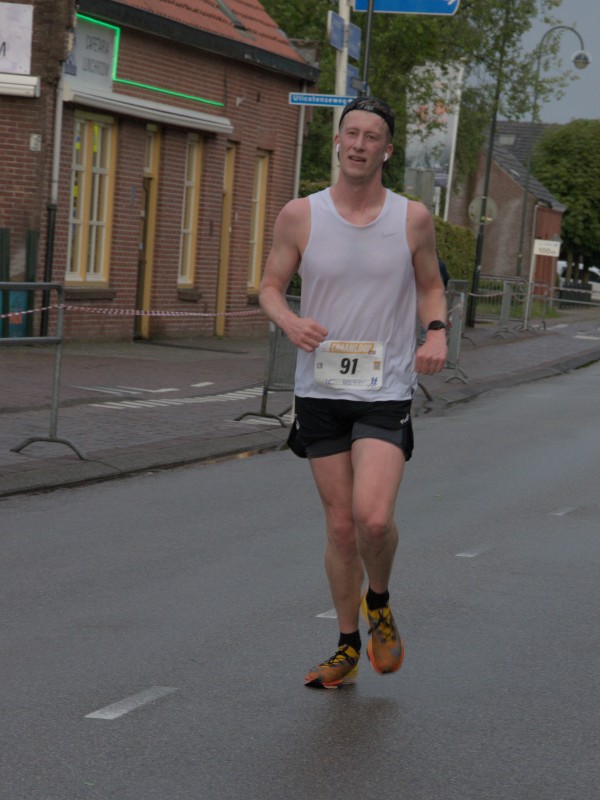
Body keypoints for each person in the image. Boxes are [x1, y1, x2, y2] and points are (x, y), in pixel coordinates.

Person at [259, 96, 448, 689]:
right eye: (352, 133)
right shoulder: (301, 215)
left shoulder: (411, 218)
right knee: (341, 528)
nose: (360, 144)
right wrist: (289, 322)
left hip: (384, 386)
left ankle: (380, 601)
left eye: (372, 136)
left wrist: (437, 331)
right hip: (320, 388)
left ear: (387, 150)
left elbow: (431, 286)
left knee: (373, 516)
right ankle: (346, 646)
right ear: (337, 142)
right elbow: (269, 286)